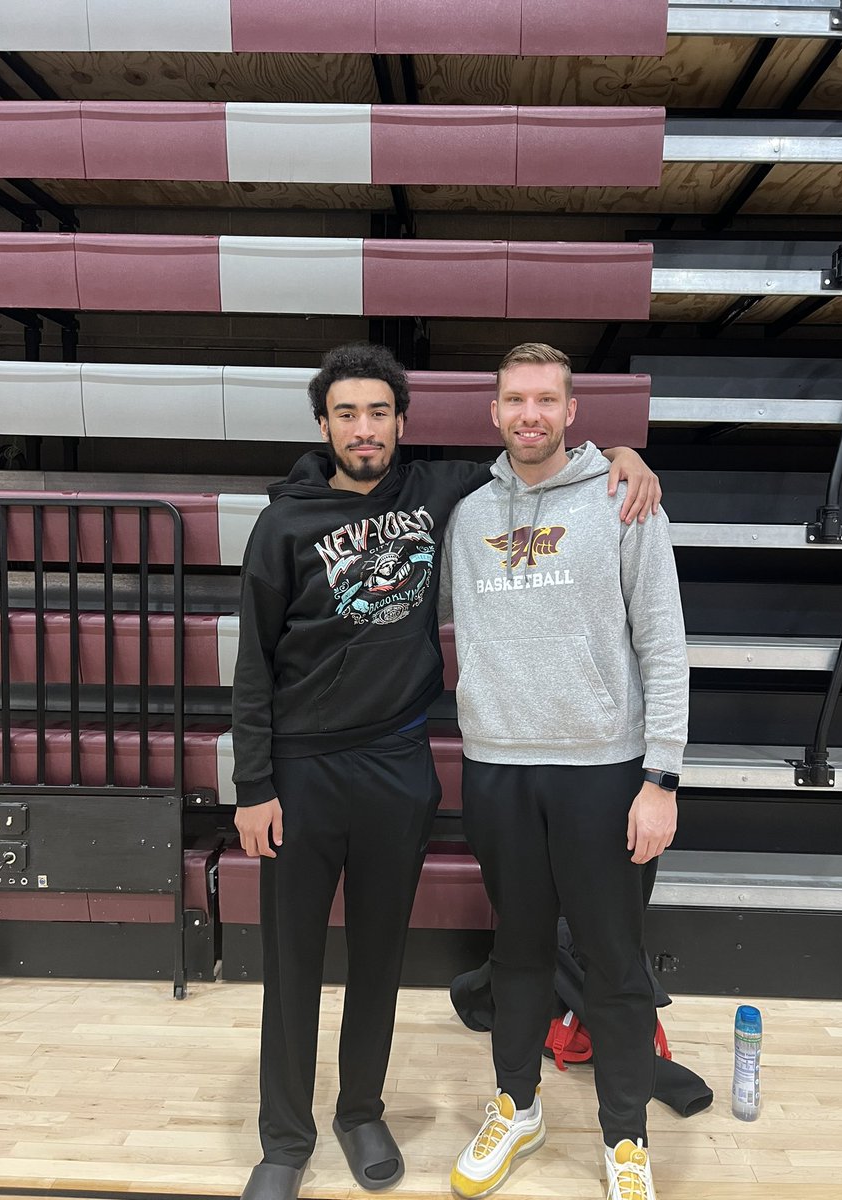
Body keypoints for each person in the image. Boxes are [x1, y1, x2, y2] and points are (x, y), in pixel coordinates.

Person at [231, 342, 662, 1200]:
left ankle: (360, 1110)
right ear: (323, 425)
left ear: (402, 422)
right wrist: (252, 785)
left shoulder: (438, 491)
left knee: (381, 956)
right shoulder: (282, 523)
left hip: (396, 764)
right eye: (346, 413)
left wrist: (622, 454)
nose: (364, 428)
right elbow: (253, 660)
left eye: (379, 412)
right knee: (292, 962)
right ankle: (284, 1137)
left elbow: (542, 455)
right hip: (302, 771)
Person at [440, 343, 689, 1200]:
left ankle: (625, 1139)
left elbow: (663, 642)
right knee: (516, 956)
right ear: (495, 411)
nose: (530, 414)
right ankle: (518, 1105)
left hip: (603, 772)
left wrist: (662, 778)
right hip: (499, 769)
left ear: (574, 410)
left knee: (616, 965)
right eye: (515, 399)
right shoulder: (466, 515)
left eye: (547, 399)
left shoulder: (623, 500)